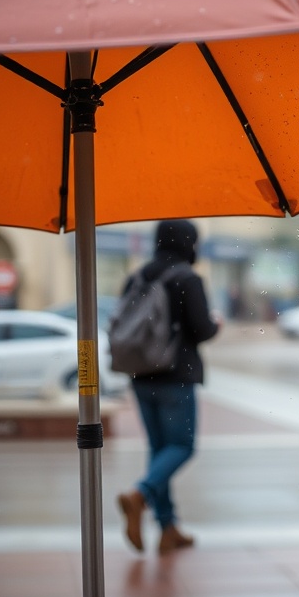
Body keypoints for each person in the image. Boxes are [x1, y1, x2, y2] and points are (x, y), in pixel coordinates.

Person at [117, 219, 220, 555]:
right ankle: (140, 494)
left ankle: (168, 528)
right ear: (187, 242)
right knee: (182, 447)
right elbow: (202, 329)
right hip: (176, 376)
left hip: (141, 375)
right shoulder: (187, 279)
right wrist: (215, 324)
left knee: (160, 450)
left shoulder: (137, 276)